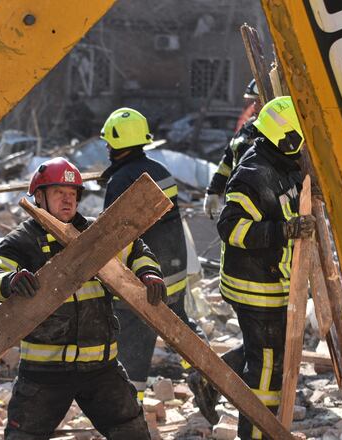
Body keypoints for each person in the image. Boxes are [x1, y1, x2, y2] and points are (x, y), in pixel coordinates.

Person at [0, 158, 166, 440]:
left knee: (132, 433)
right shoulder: (23, 241)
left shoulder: (96, 234)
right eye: (59, 193)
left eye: (72, 194)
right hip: (45, 373)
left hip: (101, 368)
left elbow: (136, 251)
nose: (68, 201)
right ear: (40, 196)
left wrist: (149, 274)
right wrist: (9, 282)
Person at [194, 96, 316, 438]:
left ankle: (210, 377)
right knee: (267, 373)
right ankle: (256, 433)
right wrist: (284, 231)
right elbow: (230, 228)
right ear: (288, 138)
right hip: (256, 288)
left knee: (262, 354)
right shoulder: (254, 174)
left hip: (272, 281)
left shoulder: (281, 163)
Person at [99, 107, 208, 402]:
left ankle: (129, 405)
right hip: (173, 272)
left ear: (117, 144)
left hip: (144, 282)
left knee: (134, 345)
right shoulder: (161, 172)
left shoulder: (120, 182)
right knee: (181, 325)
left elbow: (115, 238)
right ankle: (207, 373)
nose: (107, 147)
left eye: (109, 142)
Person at [204, 79, 264, 219]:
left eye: (259, 101)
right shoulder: (247, 129)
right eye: (253, 101)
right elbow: (227, 162)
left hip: (263, 207)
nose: (255, 107)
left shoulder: (280, 131)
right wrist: (213, 190)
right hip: (236, 203)